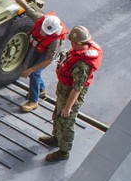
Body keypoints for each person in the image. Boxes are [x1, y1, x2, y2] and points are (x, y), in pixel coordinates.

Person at [40, 25, 102, 162]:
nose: (71, 45)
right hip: (63, 92)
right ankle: (56, 138)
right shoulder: (76, 52)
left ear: (79, 43)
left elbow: (77, 88)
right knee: (57, 115)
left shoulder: (82, 65)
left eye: (73, 42)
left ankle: (64, 151)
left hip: (70, 96)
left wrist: (68, 107)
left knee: (66, 122)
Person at [2, 0, 67, 111]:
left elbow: (48, 60)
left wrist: (30, 70)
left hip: (46, 54)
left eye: (46, 33)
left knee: (34, 73)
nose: (43, 33)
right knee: (32, 71)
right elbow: (25, 6)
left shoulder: (55, 41)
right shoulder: (39, 18)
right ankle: (40, 90)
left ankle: (33, 101)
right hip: (37, 46)